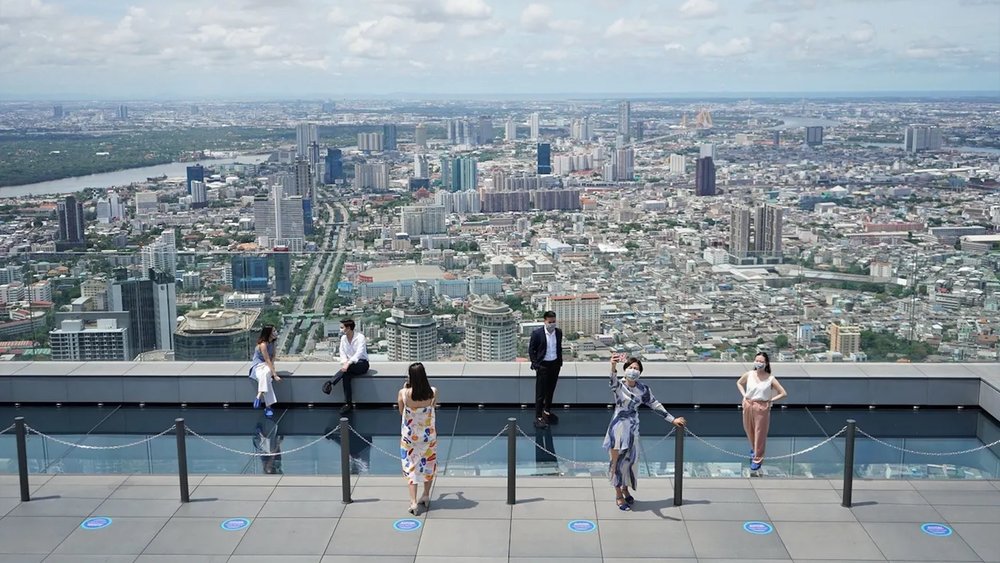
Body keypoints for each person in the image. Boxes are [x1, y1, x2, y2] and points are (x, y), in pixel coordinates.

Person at [604, 354, 685, 511]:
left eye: (636, 368)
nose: (633, 370)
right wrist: (612, 366)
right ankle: (618, 494)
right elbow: (612, 382)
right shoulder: (619, 386)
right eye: (630, 368)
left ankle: (626, 488)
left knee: (630, 462)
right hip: (618, 429)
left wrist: (672, 419)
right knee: (617, 463)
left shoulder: (643, 389)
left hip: (633, 430)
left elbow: (655, 404)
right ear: (625, 370)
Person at [737, 351, 788, 471]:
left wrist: (770, 400)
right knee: (749, 429)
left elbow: (783, 393)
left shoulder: (770, 378)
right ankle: (754, 449)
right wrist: (744, 395)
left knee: (760, 432)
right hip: (748, 404)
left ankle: (758, 458)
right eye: (757, 360)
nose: (758, 363)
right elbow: (739, 383)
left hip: (761, 406)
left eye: (761, 361)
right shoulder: (749, 374)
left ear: (766, 363)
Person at [398, 362, 437, 516]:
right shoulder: (433, 392)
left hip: (409, 438)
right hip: (428, 436)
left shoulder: (403, 393)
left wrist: (405, 388)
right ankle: (426, 495)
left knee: (411, 467)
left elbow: (402, 412)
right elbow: (432, 408)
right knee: (428, 464)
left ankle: (413, 502)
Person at [326, 319, 369, 413]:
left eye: (342, 327)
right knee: (346, 376)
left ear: (348, 328)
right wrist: (345, 362)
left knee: (347, 370)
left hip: (362, 364)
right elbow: (342, 353)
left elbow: (359, 353)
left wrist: (348, 364)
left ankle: (330, 382)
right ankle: (348, 403)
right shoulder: (343, 339)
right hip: (349, 365)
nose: (340, 329)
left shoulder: (360, 337)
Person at [528, 311, 562, 429]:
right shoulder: (537, 334)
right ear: (545, 321)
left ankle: (547, 411)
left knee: (551, 390)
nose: (552, 324)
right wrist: (536, 364)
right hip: (543, 366)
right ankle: (538, 417)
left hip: (555, 365)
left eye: (554, 322)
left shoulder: (558, 333)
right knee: (540, 393)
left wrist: (559, 363)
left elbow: (559, 348)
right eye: (550, 322)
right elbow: (531, 350)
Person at [249, 325, 281, 418]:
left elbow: (273, 357)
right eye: (274, 331)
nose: (275, 332)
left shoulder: (273, 343)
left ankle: (259, 395)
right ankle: (268, 407)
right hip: (258, 365)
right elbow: (267, 359)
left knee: (266, 373)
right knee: (266, 376)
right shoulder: (263, 344)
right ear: (268, 333)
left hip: (267, 365)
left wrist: (272, 368)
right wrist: (274, 375)